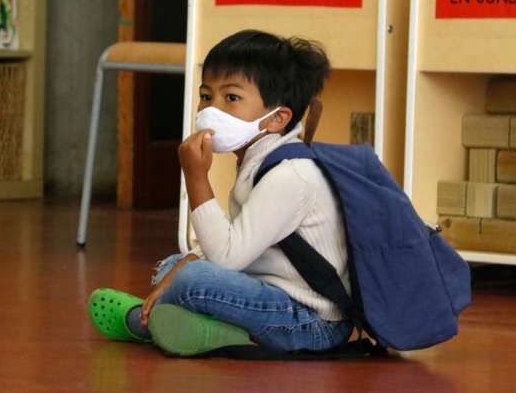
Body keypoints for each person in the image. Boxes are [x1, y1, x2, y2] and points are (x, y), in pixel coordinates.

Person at [88, 29, 353, 356]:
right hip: (272, 294)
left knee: (191, 278)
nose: (211, 109)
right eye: (206, 95)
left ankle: (142, 320)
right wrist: (185, 261)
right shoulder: (261, 159)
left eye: (231, 98)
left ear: (276, 118)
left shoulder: (290, 175)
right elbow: (239, 238)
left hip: (310, 323)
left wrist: (196, 177)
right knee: (176, 263)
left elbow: (228, 257)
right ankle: (221, 332)